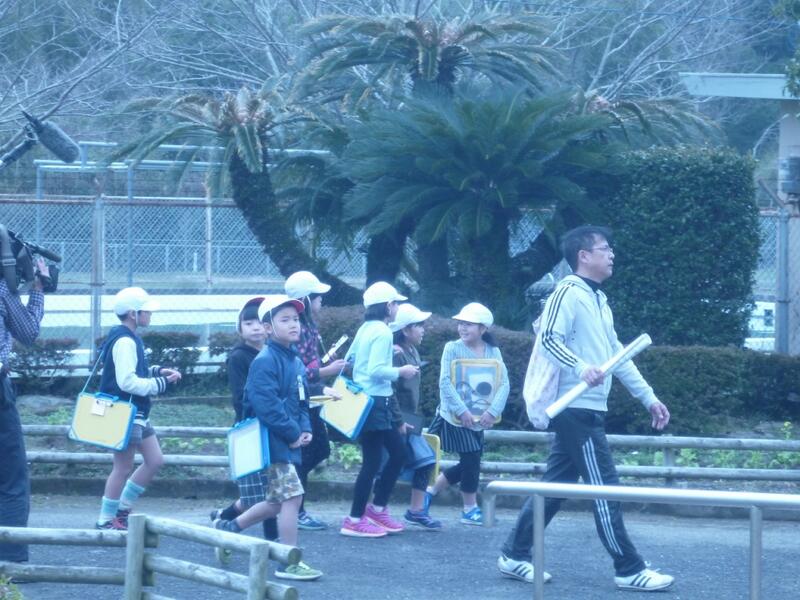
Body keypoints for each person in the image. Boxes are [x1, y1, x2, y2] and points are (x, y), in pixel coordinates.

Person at [497, 225, 674, 592]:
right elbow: (548, 339)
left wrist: (649, 397)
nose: (611, 254)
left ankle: (514, 554)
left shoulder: (598, 300)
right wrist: (580, 368)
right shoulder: (566, 292)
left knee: (555, 487)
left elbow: (617, 356)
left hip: (587, 407)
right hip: (574, 408)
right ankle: (628, 568)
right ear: (584, 256)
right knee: (605, 488)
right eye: (605, 248)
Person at [213, 295, 322, 581]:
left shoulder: (294, 360)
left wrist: (305, 427)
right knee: (292, 497)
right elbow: (267, 406)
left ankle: (229, 529)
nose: (294, 324)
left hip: (285, 440)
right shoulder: (265, 361)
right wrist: (293, 432)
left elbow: (301, 400)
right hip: (271, 442)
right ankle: (288, 560)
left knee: (276, 501)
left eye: (295, 319)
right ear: (268, 327)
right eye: (285, 320)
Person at [96, 287, 182, 530]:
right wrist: (160, 383)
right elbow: (127, 381)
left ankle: (121, 510)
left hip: (136, 413)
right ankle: (106, 519)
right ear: (133, 314)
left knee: (154, 460)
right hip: (126, 413)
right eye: (147, 311)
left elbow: (133, 370)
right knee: (122, 467)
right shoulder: (125, 341)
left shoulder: (127, 337)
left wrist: (157, 371)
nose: (150, 315)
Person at [340, 282, 418, 538]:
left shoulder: (366, 328)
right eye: (395, 303)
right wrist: (401, 371)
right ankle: (355, 518)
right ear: (388, 306)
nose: (397, 308)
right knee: (375, 462)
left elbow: (351, 360)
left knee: (396, 454)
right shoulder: (383, 332)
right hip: (375, 402)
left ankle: (375, 510)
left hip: (368, 401)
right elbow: (375, 370)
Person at [425, 302, 509, 526]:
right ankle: (469, 509)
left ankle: (429, 492)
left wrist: (493, 411)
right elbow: (445, 382)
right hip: (454, 416)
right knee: (471, 459)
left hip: (480, 418)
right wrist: (461, 410)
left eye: (469, 324)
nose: (462, 328)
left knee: (470, 461)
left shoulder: (493, 351)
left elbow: (503, 383)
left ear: (483, 328)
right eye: (461, 323)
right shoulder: (451, 348)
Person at [209, 297, 277, 545]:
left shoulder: (272, 352)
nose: (255, 327)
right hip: (251, 428)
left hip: (271, 426)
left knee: (267, 489)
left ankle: (224, 517)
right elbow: (240, 397)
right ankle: (269, 539)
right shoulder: (238, 357)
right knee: (264, 493)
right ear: (240, 329)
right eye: (249, 323)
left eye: (259, 322)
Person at [284, 271, 347, 531]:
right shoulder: (298, 328)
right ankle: (294, 508)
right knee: (310, 452)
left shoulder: (307, 326)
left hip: (311, 395)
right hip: (302, 399)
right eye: (318, 297)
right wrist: (325, 371)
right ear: (306, 299)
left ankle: (292, 501)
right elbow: (297, 369)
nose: (322, 301)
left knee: (318, 450)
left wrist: (322, 369)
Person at [0, 258, 46, 563]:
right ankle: (11, 559)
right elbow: (28, 332)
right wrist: (38, 287)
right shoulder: (2, 290)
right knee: (11, 477)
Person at [388, 302, 442, 530]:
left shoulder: (412, 350)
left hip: (411, 418)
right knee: (386, 467)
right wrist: (398, 419)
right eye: (419, 325)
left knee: (426, 461)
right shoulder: (396, 354)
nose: (423, 330)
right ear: (405, 329)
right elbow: (389, 390)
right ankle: (372, 510)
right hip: (398, 418)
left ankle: (415, 511)